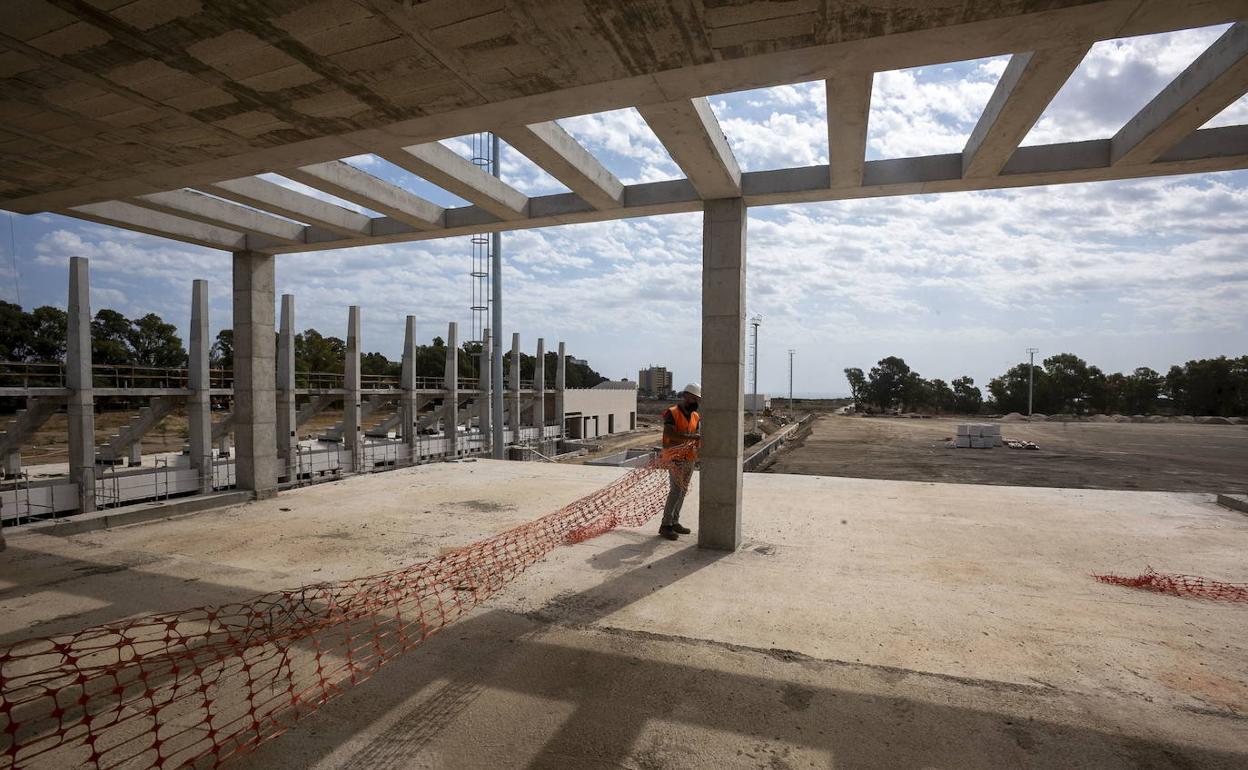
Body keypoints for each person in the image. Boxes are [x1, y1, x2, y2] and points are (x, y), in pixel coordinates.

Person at [659, 383, 701, 540]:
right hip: (675, 458)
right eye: (693, 398)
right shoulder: (672, 413)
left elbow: (696, 435)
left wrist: (697, 451)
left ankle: (674, 521)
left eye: (697, 399)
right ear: (685, 396)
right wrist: (692, 438)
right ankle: (665, 525)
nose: (695, 402)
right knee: (675, 491)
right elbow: (670, 433)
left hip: (689, 458)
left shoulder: (696, 416)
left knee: (682, 491)